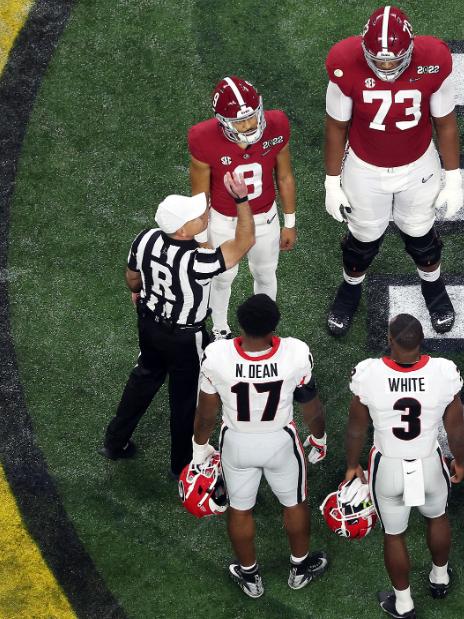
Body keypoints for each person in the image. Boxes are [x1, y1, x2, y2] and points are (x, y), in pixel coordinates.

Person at [101, 173, 255, 476]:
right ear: (183, 230)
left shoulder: (145, 238)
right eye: (197, 215)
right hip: (185, 338)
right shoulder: (197, 261)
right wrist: (242, 200)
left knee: (144, 378)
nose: (204, 214)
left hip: (148, 323)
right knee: (184, 401)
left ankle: (113, 442)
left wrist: (137, 292)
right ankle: (181, 465)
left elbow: (133, 276)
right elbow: (245, 241)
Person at [323, 5, 463, 337]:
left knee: (421, 237)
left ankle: (433, 287)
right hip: (364, 166)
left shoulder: (433, 61)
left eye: (393, 59)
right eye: (379, 59)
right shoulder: (344, 63)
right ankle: (351, 288)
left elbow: (445, 123)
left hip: (418, 164)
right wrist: (331, 181)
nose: (386, 66)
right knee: (362, 240)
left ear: (411, 48)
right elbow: (335, 127)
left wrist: (454, 177)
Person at [191, 294, 329, 598]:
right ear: (274, 326)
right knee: (294, 502)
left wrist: (199, 446)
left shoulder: (216, 355)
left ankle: (250, 575)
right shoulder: (295, 352)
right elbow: (310, 406)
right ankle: (300, 568)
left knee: (240, 509)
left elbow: (206, 412)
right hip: (279, 440)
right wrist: (319, 437)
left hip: (236, 442)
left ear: (240, 323)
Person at [345, 314, 464, 619]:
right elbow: (456, 430)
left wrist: (351, 465)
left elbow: (356, 429)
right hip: (428, 462)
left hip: (388, 466)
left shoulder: (368, 373)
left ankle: (404, 604)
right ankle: (440, 579)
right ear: (422, 340)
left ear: (390, 340)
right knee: (437, 517)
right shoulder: (443, 371)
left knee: (394, 535)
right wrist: (461, 461)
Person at [189, 76, 297, 341]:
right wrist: (201, 238)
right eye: (239, 121)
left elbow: (284, 176)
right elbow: (200, 194)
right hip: (224, 220)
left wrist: (290, 222)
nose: (249, 125)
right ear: (222, 121)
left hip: (264, 217)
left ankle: (264, 329)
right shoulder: (203, 138)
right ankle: (220, 328)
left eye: (251, 117)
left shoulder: (278, 124)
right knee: (223, 276)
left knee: (265, 272)